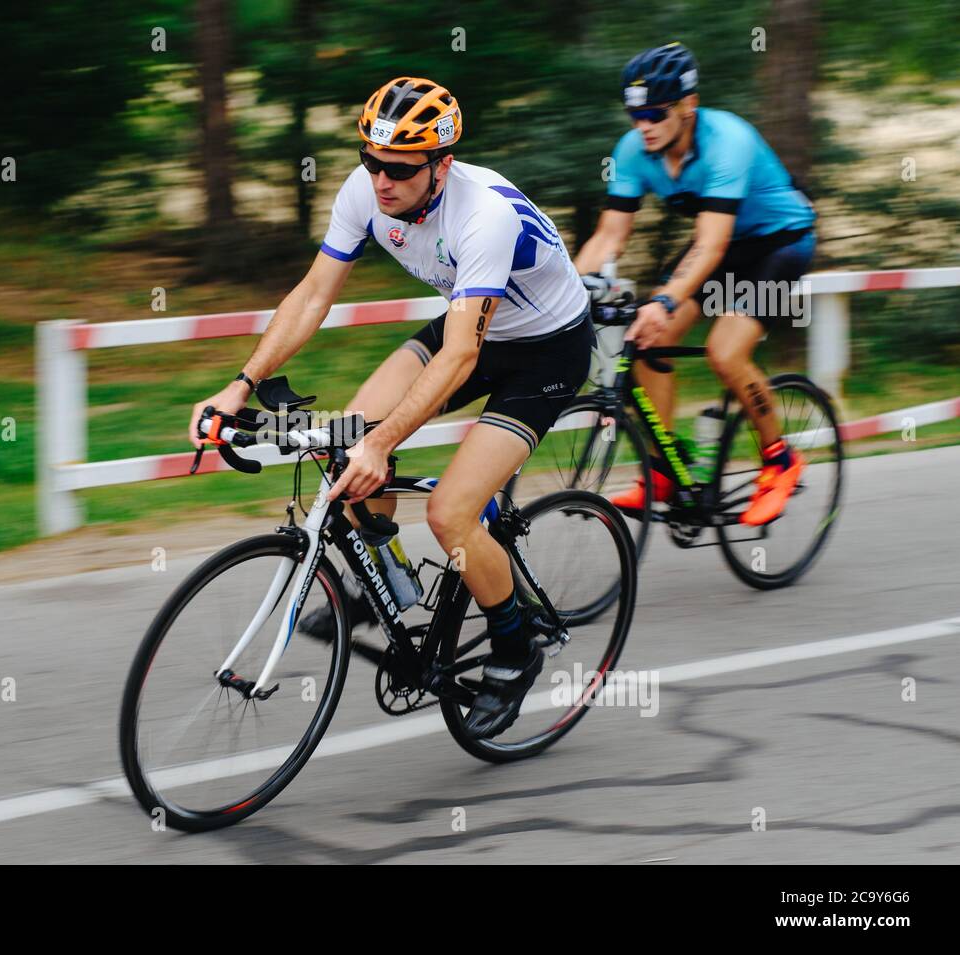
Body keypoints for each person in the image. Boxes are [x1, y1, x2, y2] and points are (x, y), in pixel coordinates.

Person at [187, 77, 594, 739]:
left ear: (442, 165)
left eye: (400, 169)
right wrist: (238, 384)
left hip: (546, 349)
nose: (381, 181)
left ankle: (516, 651)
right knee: (346, 440)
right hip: (475, 326)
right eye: (371, 162)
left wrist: (384, 443)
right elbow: (315, 294)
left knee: (450, 512)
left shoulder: (482, 215)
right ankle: (391, 582)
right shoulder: (366, 190)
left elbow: (461, 356)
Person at [573, 43, 817, 525]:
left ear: (688, 105)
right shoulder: (634, 151)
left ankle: (780, 458)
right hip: (720, 245)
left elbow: (710, 245)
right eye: (634, 113)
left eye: (655, 113)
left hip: (779, 245)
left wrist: (664, 299)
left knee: (726, 352)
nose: (643, 125)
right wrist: (570, 291)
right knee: (645, 340)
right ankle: (664, 470)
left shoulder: (728, 140)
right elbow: (609, 235)